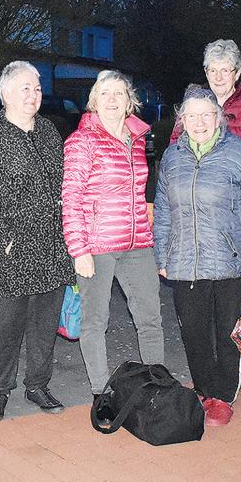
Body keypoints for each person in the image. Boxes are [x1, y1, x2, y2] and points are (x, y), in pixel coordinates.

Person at [153, 87, 241, 427]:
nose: (199, 122)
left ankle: (223, 395)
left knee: (227, 333)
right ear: (182, 121)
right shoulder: (173, 157)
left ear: (218, 118)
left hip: (230, 260)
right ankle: (204, 390)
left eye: (206, 115)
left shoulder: (239, 153)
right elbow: (163, 210)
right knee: (193, 332)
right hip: (185, 261)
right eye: (191, 116)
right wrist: (161, 253)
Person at [0, 61, 75, 422]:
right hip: (10, 252)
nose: (33, 95)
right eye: (25, 88)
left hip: (51, 250)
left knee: (44, 325)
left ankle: (38, 384)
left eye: (37, 89)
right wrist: (1, 239)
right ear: (6, 93)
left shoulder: (49, 133)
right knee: (6, 326)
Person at [61, 70, 164, 421]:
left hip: (138, 244)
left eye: (119, 93)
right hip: (99, 245)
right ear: (94, 100)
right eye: (104, 93)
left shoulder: (138, 138)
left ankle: (156, 387)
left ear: (129, 100)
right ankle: (101, 393)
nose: (111, 99)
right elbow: (71, 198)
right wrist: (79, 250)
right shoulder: (82, 141)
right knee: (94, 321)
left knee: (150, 318)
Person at [169, 39, 241, 169]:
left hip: (239, 185)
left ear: (237, 73)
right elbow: (176, 145)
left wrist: (239, 164)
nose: (218, 78)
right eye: (213, 71)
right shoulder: (192, 103)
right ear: (206, 72)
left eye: (225, 70)